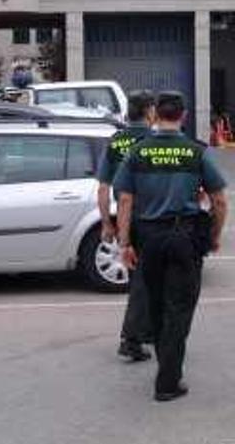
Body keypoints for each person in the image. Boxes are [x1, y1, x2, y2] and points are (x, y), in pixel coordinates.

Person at [114, 91, 228, 402]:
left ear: (155, 115)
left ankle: (168, 368)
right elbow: (218, 200)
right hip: (184, 239)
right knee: (179, 309)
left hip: (148, 239)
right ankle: (167, 382)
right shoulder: (196, 152)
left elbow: (124, 199)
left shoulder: (136, 153)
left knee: (157, 306)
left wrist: (124, 243)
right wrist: (215, 235)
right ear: (184, 116)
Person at [96, 90, 156, 362]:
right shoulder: (154, 140)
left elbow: (103, 188)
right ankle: (132, 339)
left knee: (141, 280)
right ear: (149, 112)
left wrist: (108, 224)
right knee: (148, 282)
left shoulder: (116, 141)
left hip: (125, 220)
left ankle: (145, 334)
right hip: (152, 220)